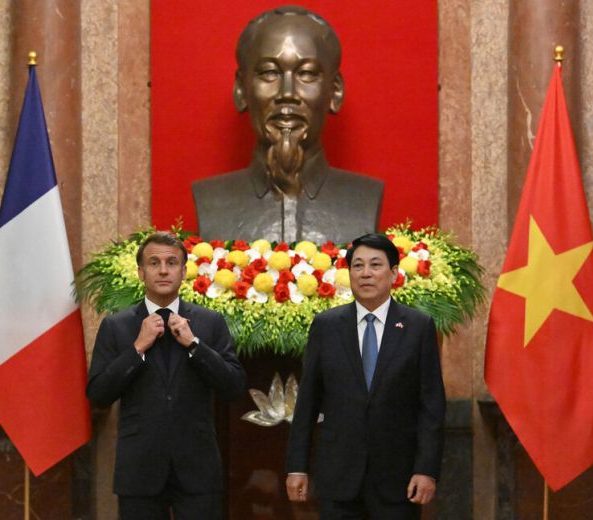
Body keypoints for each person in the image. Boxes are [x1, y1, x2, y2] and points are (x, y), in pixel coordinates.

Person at [86, 231, 246, 519]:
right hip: (139, 469)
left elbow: (234, 386)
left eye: (171, 263)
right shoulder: (116, 326)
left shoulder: (209, 322)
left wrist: (194, 345)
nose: (163, 270)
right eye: (154, 263)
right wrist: (137, 347)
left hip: (198, 467)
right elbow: (98, 394)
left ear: (183, 272)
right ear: (141, 272)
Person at [285, 233, 446, 519]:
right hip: (338, 476)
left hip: (398, 479)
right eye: (357, 266)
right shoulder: (326, 326)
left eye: (375, 265)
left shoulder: (417, 326)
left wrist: (426, 470)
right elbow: (308, 401)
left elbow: (431, 406)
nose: (366, 273)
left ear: (394, 273)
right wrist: (297, 466)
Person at [192, 5, 383, 244]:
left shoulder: (365, 198)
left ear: (335, 91)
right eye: (269, 73)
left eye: (307, 74)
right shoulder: (210, 199)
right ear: (241, 90)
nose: (287, 93)